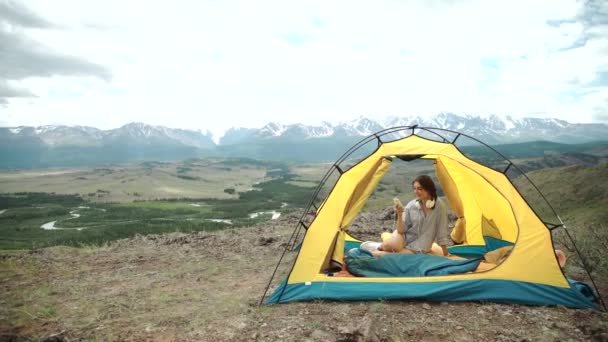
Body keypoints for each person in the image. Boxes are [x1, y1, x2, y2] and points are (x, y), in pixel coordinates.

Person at [363, 175, 452, 257]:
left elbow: (442, 230)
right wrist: (400, 214)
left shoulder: (440, 206)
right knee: (390, 245)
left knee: (395, 255)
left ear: (429, 189)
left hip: (419, 246)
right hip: (404, 236)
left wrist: (445, 253)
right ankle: (379, 246)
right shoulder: (412, 205)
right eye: (415, 188)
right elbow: (401, 231)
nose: (416, 192)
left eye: (420, 189)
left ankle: (371, 253)